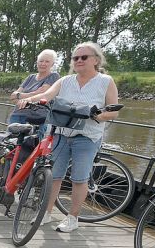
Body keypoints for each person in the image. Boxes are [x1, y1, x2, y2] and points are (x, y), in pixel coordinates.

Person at [18, 42, 120, 233]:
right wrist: (27, 100)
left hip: (87, 136)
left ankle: (72, 218)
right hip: (61, 133)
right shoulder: (65, 80)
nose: (79, 61)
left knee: (79, 178)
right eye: (75, 58)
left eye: (84, 57)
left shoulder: (106, 81)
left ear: (96, 60)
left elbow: (113, 112)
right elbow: (47, 95)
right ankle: (46, 213)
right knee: (54, 175)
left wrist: (97, 115)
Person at [8, 50, 59, 124]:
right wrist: (33, 94)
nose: (43, 64)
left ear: (52, 64)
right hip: (18, 114)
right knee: (11, 133)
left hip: (38, 117)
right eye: (41, 61)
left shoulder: (53, 76)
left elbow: (43, 94)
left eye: (47, 61)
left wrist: (20, 96)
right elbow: (13, 97)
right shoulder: (30, 77)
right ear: (37, 62)